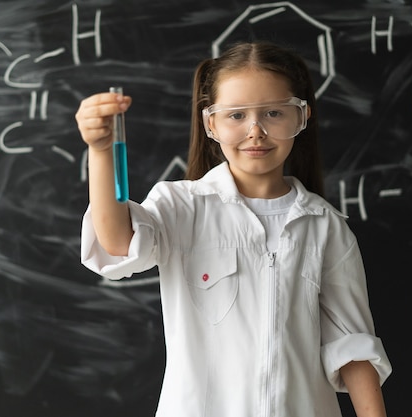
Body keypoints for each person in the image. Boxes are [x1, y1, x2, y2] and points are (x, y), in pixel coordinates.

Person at [75, 41, 392, 417]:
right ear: (211, 123)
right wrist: (100, 151)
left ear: (302, 117)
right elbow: (116, 242)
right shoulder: (183, 208)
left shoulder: (324, 226)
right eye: (236, 115)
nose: (256, 131)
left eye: (274, 113)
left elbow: (351, 344)